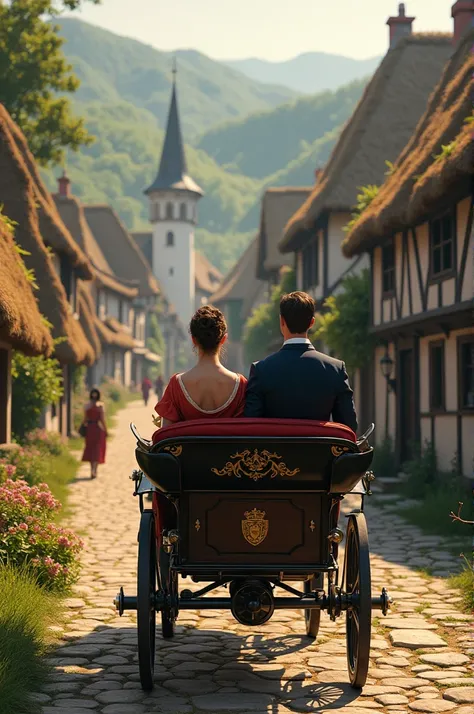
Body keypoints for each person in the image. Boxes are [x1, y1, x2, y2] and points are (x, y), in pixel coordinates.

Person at [244, 291, 358, 432]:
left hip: (276, 452)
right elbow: (349, 426)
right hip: (320, 452)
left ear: (282, 321)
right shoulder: (335, 369)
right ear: (311, 323)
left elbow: (250, 426)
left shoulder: (261, 370)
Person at [155, 306, 247, 425]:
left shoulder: (176, 385)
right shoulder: (240, 385)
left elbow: (166, 435)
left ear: (193, 340)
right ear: (224, 339)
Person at [81, 388, 107, 479]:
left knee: (94, 449)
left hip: (91, 428)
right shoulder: (100, 406)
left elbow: (84, 419)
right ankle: (93, 470)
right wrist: (106, 430)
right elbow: (102, 420)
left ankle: (93, 470)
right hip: (96, 428)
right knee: (94, 450)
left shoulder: (87, 405)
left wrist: (82, 427)